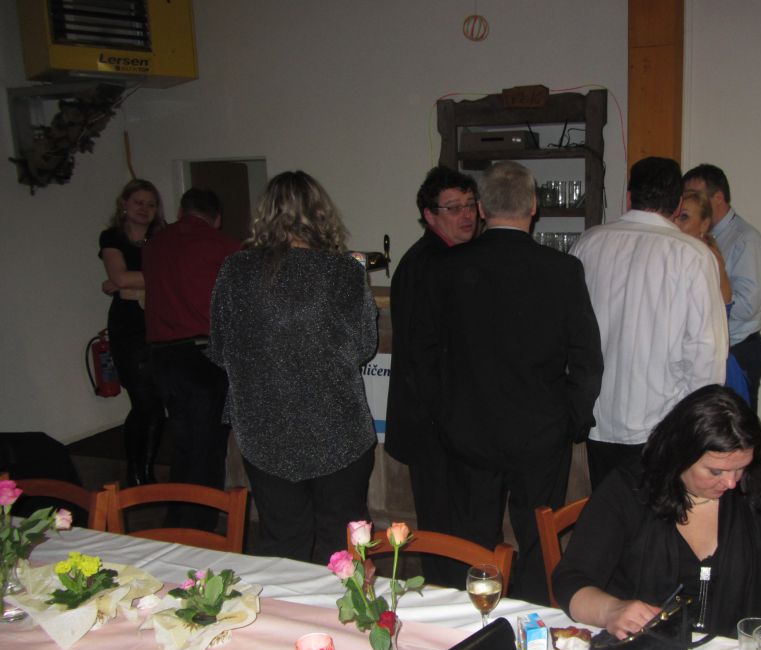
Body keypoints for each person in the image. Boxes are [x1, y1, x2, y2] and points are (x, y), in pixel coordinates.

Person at [417, 160, 603, 604]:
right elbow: (586, 358)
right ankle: (537, 619)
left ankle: (475, 617)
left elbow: (425, 357)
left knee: (472, 542)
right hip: (540, 432)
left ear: (482, 208)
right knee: (540, 540)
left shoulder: (446, 269)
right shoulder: (562, 270)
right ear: (534, 206)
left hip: (468, 431)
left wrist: (443, 418)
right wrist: (572, 420)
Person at [552, 384, 761, 649]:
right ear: (680, 456)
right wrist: (611, 610)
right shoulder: (629, 491)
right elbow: (570, 580)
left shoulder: (755, 491)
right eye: (716, 471)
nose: (731, 483)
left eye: (741, 467)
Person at [208, 171, 378, 564]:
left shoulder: (235, 271)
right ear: (320, 213)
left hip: (265, 430)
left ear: (264, 214)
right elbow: (364, 348)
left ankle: (285, 605)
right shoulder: (344, 270)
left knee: (282, 543)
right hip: (337, 428)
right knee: (345, 547)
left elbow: (218, 349)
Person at [572, 157, 728, 490]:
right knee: (658, 513)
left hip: (597, 416)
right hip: (662, 421)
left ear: (629, 197)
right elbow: (707, 351)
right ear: (678, 204)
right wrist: (696, 425)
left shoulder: (588, 243)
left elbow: (569, 330)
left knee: (608, 510)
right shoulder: (692, 255)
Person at [384, 166, 478, 587]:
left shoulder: (444, 258)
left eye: (470, 204)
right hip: (437, 424)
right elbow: (426, 359)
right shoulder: (432, 264)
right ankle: (450, 601)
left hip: (439, 422)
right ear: (429, 215)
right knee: (445, 532)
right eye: (453, 208)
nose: (466, 215)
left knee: (452, 527)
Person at [142, 188, 240, 528]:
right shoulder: (224, 247)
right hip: (203, 357)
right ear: (217, 219)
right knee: (207, 449)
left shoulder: (154, 245)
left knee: (183, 444)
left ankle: (177, 521)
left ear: (182, 211)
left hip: (161, 357)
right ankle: (198, 530)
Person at [682, 163, 761, 414]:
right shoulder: (696, 241)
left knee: (736, 428)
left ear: (718, 198)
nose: (689, 202)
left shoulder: (745, 239)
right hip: (712, 350)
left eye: (696, 195)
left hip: (737, 350)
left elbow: (746, 306)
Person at [98, 179, 167, 487]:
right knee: (143, 401)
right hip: (128, 329)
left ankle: (145, 471)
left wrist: (127, 281)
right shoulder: (112, 237)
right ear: (124, 203)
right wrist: (126, 280)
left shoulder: (161, 237)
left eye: (150, 204)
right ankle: (136, 472)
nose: (144, 209)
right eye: (138, 202)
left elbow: (127, 280)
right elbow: (120, 277)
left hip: (158, 324)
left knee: (156, 402)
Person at [673, 189, 750, 404]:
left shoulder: (708, 259)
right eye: (676, 216)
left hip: (709, 365)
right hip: (691, 361)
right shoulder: (686, 256)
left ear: (704, 224)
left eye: (684, 217)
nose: (676, 223)